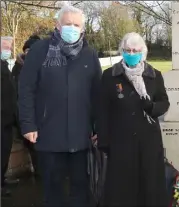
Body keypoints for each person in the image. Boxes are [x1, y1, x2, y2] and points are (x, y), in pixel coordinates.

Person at [17, 5, 102, 207]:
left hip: (81, 137)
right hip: (48, 134)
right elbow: (26, 89)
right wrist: (28, 124)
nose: (72, 28)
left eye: (76, 25)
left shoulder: (89, 54)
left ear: (82, 29)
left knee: (80, 191)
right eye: (67, 24)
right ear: (57, 25)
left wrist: (97, 127)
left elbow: (97, 94)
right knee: (53, 191)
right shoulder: (40, 50)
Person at [97, 32, 170, 207]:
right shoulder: (110, 76)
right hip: (120, 141)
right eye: (127, 50)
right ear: (122, 51)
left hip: (148, 141)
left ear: (142, 52)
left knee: (150, 184)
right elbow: (102, 110)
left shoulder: (154, 75)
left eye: (135, 50)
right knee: (122, 187)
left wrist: (152, 107)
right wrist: (104, 140)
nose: (131, 54)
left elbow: (164, 102)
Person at [11, 35, 42, 179]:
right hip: (29, 119)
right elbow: (18, 97)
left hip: (46, 118)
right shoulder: (18, 69)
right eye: (28, 50)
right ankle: (39, 173)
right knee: (35, 149)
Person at [1, 36, 16, 197]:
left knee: (5, 150)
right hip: (2, 117)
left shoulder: (4, 65)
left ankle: (2, 179)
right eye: (5, 47)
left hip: (7, 118)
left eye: (9, 48)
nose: (8, 50)